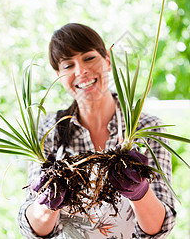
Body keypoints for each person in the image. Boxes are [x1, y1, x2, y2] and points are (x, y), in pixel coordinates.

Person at [18, 23, 176, 239]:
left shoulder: (146, 128)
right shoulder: (49, 130)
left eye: (89, 58)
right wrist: (47, 204)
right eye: (67, 65)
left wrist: (141, 193)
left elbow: (161, 227)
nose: (81, 70)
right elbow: (34, 230)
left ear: (107, 61)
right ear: (58, 75)